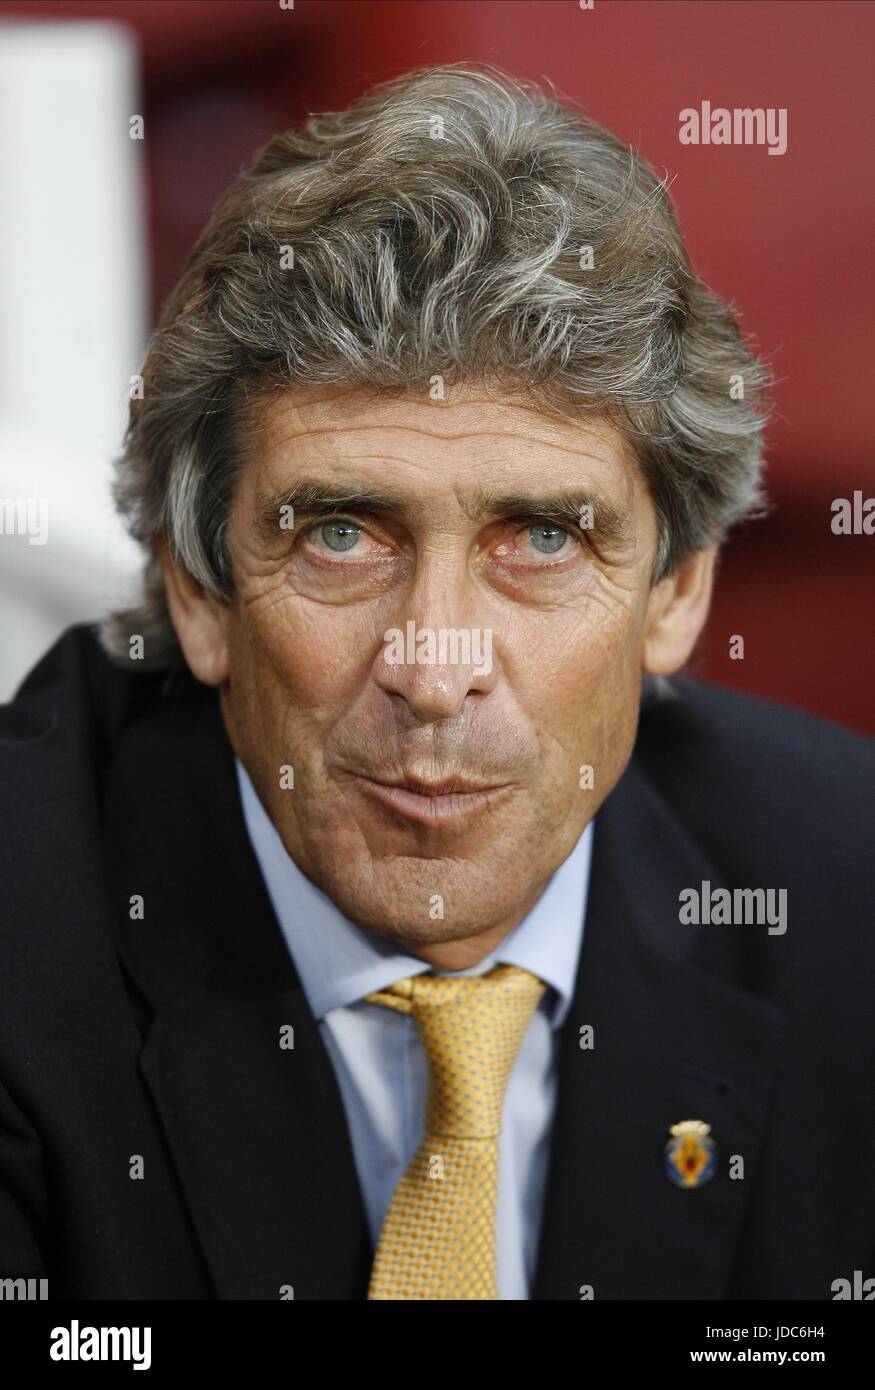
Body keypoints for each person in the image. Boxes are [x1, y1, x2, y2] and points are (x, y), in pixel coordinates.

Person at [1, 65, 872, 1301]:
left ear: (675, 594)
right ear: (197, 591)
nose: (433, 669)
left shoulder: (846, 897)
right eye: (341, 536)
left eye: (543, 539)